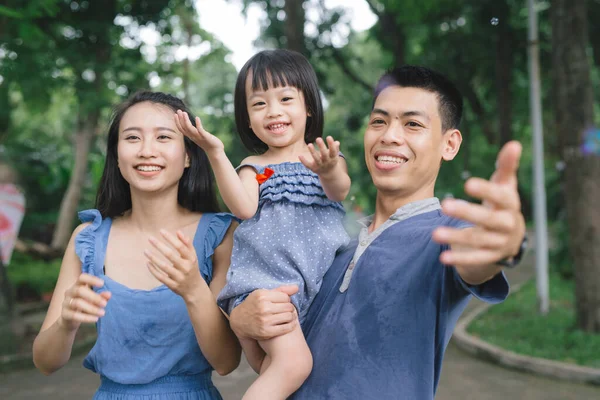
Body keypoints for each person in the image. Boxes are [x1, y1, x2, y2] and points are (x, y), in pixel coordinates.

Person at [229, 65, 528, 399]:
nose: (389, 136)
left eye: (413, 124)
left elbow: (477, 258)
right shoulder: (330, 244)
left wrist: (504, 243)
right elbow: (278, 359)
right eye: (379, 121)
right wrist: (241, 319)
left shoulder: (448, 234)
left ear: (449, 144)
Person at [32, 91, 241, 400]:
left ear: (187, 155)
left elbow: (227, 362)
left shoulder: (221, 234)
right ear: (117, 156)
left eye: (163, 137)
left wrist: (194, 289)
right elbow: (45, 363)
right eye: (132, 138)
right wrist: (66, 322)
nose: (146, 151)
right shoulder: (88, 238)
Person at [174, 49, 351, 399]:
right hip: (265, 288)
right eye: (259, 104)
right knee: (295, 365)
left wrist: (329, 170)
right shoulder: (259, 167)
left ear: (308, 107)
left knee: (276, 374)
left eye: (286, 98)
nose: (274, 111)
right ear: (248, 119)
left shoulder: (322, 160)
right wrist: (215, 153)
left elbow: (338, 190)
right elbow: (242, 206)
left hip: (309, 292)